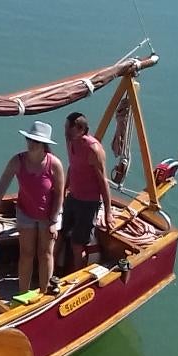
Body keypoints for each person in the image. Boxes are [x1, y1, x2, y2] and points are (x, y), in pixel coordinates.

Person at [0, 121, 65, 296]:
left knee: (45, 253)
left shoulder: (54, 164)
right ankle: (22, 293)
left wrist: (53, 221)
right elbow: (1, 187)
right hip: (26, 212)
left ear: (43, 144)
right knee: (26, 253)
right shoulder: (17, 161)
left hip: (49, 214)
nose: (31, 143)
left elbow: (60, 194)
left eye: (36, 141)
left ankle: (44, 291)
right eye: (29, 139)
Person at [58, 112, 113, 273]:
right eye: (65, 128)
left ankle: (76, 278)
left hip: (88, 203)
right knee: (59, 235)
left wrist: (108, 212)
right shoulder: (70, 142)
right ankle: (53, 273)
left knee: (77, 245)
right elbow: (72, 166)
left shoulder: (93, 150)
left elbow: (103, 181)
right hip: (72, 197)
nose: (66, 132)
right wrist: (64, 190)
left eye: (69, 129)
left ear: (81, 129)